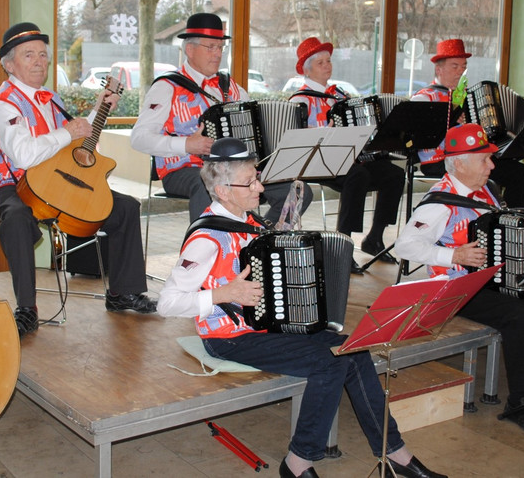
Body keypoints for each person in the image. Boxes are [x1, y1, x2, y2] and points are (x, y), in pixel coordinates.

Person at [158, 137, 445, 478]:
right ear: (223, 191)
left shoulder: (248, 221)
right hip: (229, 338)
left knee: (353, 350)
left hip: (266, 326)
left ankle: (394, 452)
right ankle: (298, 462)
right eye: (250, 182)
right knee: (328, 364)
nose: (260, 187)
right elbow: (167, 303)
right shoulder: (206, 239)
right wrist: (222, 294)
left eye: (257, 178)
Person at [394, 123, 524, 437]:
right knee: (518, 314)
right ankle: (521, 400)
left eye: (490, 158)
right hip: (455, 288)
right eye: (484, 159)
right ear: (459, 164)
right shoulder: (439, 203)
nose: (491, 165)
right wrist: (454, 255)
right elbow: (405, 246)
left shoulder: (486, 190)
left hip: (491, 281)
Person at [0, 21, 156, 336]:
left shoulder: (50, 99)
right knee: (16, 219)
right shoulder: (3, 104)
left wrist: (98, 110)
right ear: (9, 65)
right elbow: (23, 155)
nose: (39, 61)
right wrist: (67, 132)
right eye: (29, 55)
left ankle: (122, 293)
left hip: (57, 180)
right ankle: (26, 309)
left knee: (125, 207)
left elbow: (75, 140)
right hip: (17, 185)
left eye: (43, 55)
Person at [131, 12, 312, 225]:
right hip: (184, 170)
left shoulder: (230, 86)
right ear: (190, 49)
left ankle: (262, 238)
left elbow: (257, 125)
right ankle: (206, 242)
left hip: (236, 170)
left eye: (220, 47)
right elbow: (139, 138)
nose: (217, 54)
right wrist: (187, 144)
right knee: (211, 185)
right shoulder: (167, 86)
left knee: (298, 191)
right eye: (210, 47)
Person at [289, 37, 403, 266]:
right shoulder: (300, 100)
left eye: (328, 61)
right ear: (307, 70)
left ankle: (375, 237)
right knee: (358, 175)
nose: (327, 66)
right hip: (317, 162)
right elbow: (296, 139)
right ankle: (343, 245)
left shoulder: (340, 95)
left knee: (394, 174)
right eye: (320, 62)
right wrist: (322, 132)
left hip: (348, 159)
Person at [411, 39, 524, 208]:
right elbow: (421, 136)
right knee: (509, 173)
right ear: (439, 69)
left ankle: (510, 216)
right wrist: (450, 122)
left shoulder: (469, 96)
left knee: (520, 171)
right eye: (455, 66)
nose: (461, 71)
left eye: (463, 66)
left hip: (470, 157)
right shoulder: (425, 98)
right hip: (439, 161)